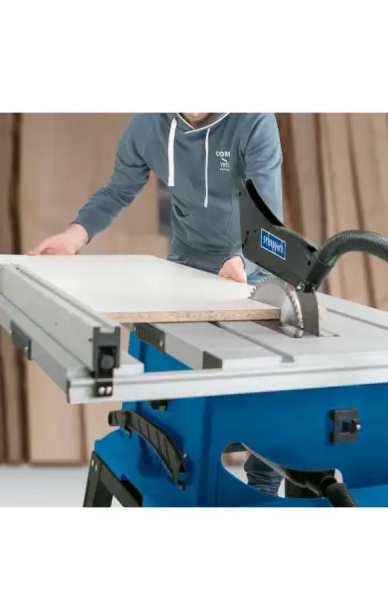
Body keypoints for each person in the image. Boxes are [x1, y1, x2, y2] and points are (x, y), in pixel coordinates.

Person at [30, 113, 285, 496]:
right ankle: (169, 478)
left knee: (269, 385)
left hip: (251, 264)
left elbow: (267, 213)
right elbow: (118, 190)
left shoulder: (253, 120)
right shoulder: (148, 126)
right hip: (186, 264)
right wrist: (74, 235)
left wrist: (241, 261)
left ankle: (262, 492)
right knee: (165, 375)